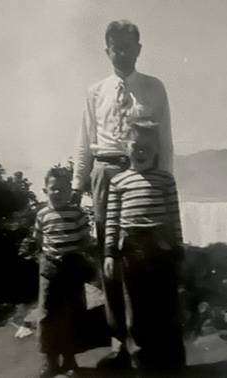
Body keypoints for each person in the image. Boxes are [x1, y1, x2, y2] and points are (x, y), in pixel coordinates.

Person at [71, 19, 174, 367]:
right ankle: (119, 343)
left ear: (139, 49)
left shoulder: (154, 88)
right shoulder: (94, 91)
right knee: (110, 257)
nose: (122, 52)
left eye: (129, 45)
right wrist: (77, 184)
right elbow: (84, 142)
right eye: (116, 46)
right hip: (104, 174)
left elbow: (165, 142)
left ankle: (151, 341)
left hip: (144, 178)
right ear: (107, 50)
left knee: (145, 259)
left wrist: (164, 182)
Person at [104, 121, 186, 372]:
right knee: (136, 309)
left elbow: (174, 214)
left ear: (156, 150)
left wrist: (178, 245)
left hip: (162, 247)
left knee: (166, 305)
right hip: (132, 250)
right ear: (126, 148)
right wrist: (109, 252)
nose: (141, 152)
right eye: (136, 146)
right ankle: (141, 361)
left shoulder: (165, 179)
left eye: (147, 148)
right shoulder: (118, 182)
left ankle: (171, 362)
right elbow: (112, 220)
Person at [33, 167, 91, 378]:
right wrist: (50, 258)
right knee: (47, 314)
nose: (57, 193)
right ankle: (50, 360)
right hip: (49, 268)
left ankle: (69, 359)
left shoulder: (77, 213)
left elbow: (85, 239)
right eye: (53, 189)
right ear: (45, 191)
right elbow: (39, 240)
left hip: (72, 268)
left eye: (62, 189)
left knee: (72, 313)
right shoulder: (41, 215)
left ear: (70, 192)